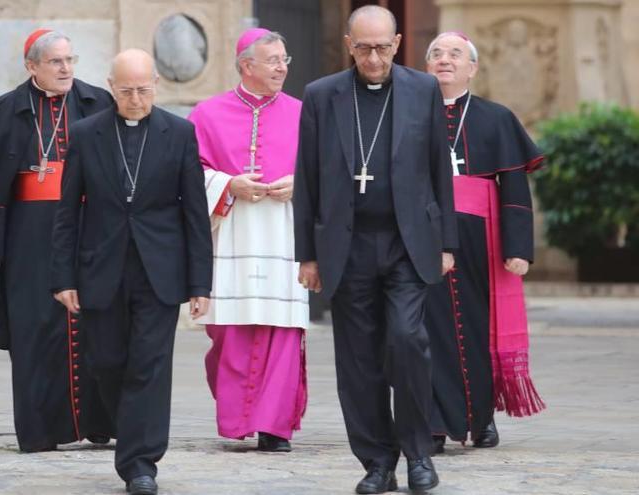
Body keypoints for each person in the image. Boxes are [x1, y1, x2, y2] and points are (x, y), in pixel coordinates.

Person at [293, 6, 457, 493]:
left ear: (398, 42)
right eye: (363, 47)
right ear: (349, 44)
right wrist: (307, 255)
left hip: (408, 242)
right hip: (348, 245)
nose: (373, 57)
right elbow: (307, 179)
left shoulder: (422, 89)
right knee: (358, 360)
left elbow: (438, 171)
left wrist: (446, 242)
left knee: (408, 342)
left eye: (383, 47)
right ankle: (377, 462)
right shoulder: (321, 96)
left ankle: (418, 455)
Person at [50, 49, 212, 495]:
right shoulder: (86, 134)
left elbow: (194, 213)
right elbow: (67, 211)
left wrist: (201, 282)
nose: (136, 99)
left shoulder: (179, 133)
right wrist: (63, 277)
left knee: (150, 365)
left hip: (159, 269)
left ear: (156, 85)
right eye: (126, 91)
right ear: (111, 87)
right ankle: (132, 438)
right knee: (107, 362)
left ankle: (140, 463)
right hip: (100, 268)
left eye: (143, 90)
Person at [0, 28, 114, 452]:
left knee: (93, 330)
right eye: (56, 61)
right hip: (26, 241)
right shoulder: (5, 111)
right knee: (33, 332)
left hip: (86, 232)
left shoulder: (96, 104)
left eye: (70, 60)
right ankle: (39, 431)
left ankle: (99, 422)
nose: (66, 68)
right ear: (32, 66)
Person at [424, 31, 545, 455]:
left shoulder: (495, 117)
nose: (444, 60)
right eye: (436, 53)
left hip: (480, 235)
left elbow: (513, 186)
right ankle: (435, 422)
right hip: (423, 231)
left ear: (472, 68)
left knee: (477, 326)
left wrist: (518, 248)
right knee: (428, 327)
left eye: (455, 54)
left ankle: (481, 417)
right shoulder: (409, 114)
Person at [188, 28, 308, 453]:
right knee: (230, 332)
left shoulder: (303, 111)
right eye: (273, 60)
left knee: (284, 330)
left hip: (285, 233)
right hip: (230, 233)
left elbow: (325, 166)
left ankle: (275, 425)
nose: (282, 67)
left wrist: (301, 184)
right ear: (246, 66)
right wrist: (228, 184)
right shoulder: (206, 114)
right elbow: (186, 175)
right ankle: (238, 417)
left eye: (284, 60)